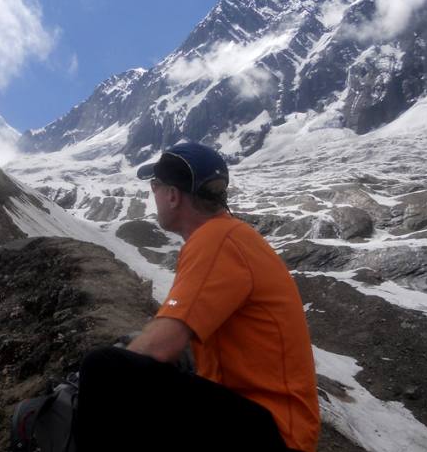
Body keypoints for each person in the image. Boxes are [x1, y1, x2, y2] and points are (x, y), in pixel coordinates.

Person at [77, 142, 320, 452]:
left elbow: (162, 346)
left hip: (273, 431)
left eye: (155, 186)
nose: (154, 194)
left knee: (104, 368)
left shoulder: (215, 240)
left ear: (173, 195)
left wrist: (128, 355)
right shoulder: (232, 235)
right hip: (272, 421)